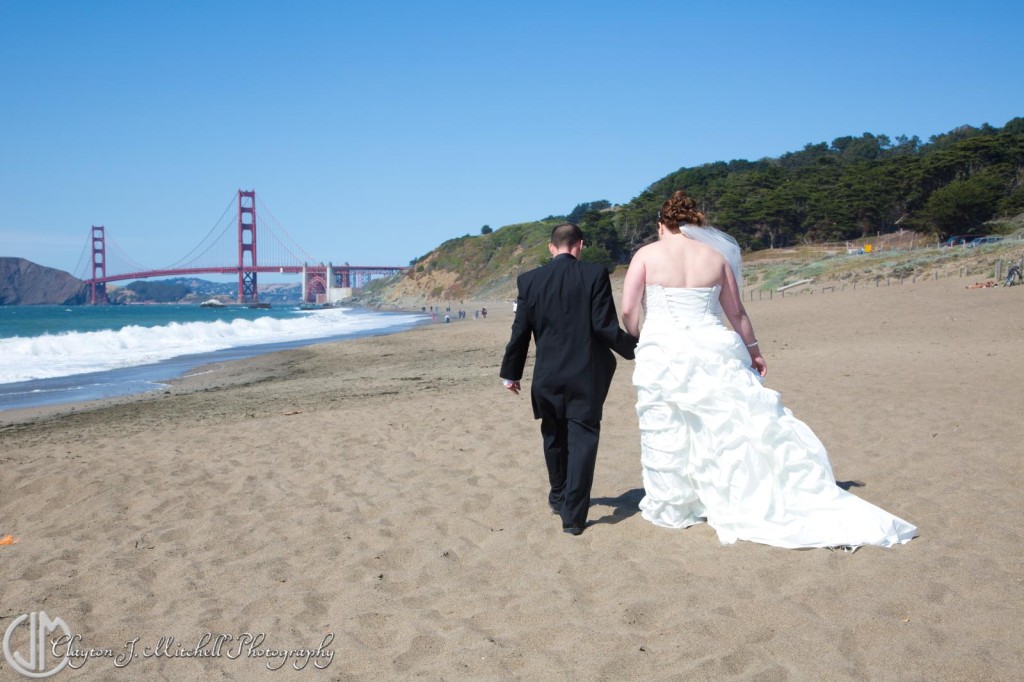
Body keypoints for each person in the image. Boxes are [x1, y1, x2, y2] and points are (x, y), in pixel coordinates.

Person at [620, 190, 917, 549]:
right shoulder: (715, 257)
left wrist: (640, 335)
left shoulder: (647, 255)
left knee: (669, 426)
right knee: (725, 426)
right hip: (712, 345)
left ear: (661, 224)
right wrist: (754, 352)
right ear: (696, 224)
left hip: (664, 350)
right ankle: (725, 495)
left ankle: (677, 507)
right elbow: (737, 314)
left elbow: (628, 309)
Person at [500, 223, 638, 536]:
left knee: (553, 436)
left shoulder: (529, 280)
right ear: (580, 245)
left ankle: (558, 496)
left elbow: (520, 331)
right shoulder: (594, 274)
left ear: (552, 247)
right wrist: (636, 348)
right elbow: (604, 327)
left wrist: (511, 373)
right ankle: (573, 517)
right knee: (583, 440)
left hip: (546, 376)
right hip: (585, 375)